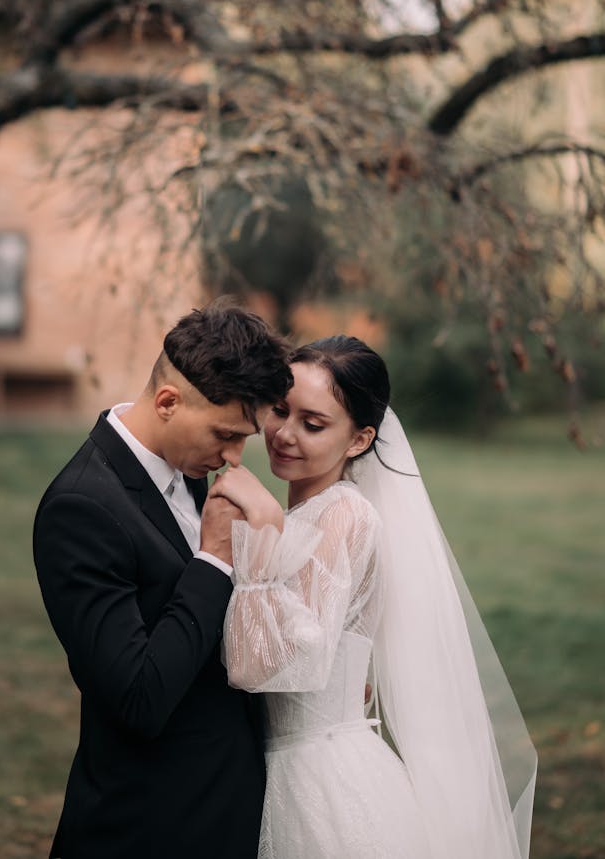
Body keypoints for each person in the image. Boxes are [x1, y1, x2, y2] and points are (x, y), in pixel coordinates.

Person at [212, 335, 537, 859]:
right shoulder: (306, 514)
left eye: (313, 424)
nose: (284, 434)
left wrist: (258, 541)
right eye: (279, 410)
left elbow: (265, 668)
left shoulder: (344, 515)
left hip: (321, 780)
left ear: (359, 441)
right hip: (283, 764)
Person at [33, 299, 292, 859]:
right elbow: (138, 697)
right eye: (225, 434)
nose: (235, 458)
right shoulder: (80, 508)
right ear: (169, 402)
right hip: (147, 825)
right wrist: (216, 558)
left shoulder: (189, 469)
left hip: (223, 808)